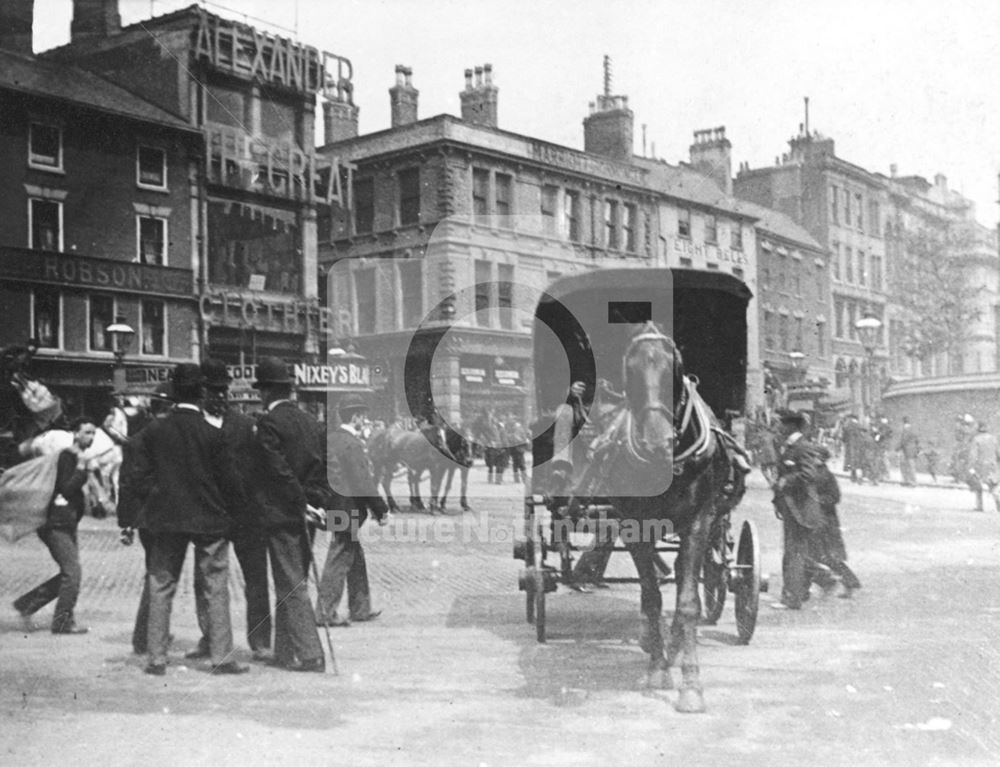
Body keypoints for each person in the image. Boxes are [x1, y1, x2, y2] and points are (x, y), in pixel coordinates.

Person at [131, 363, 247, 676]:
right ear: (201, 392)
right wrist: (235, 513)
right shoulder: (213, 433)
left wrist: (155, 498)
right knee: (215, 585)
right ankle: (222, 657)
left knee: (160, 584)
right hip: (210, 519)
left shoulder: (154, 430)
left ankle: (156, 658)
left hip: (166, 518)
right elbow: (231, 482)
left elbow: (138, 477)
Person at [186, 360, 273, 662]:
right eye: (213, 390)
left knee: (257, 580)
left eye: (223, 390)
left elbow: (260, 467)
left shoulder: (244, 424)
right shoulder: (195, 426)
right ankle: (210, 637)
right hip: (210, 515)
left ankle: (261, 640)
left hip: (247, 515)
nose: (220, 396)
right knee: (205, 581)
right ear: (201, 391)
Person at [250, 357, 330, 672]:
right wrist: (317, 503)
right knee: (293, 581)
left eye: (261, 391)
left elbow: (277, 471)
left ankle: (311, 653)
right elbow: (324, 467)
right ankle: (284, 652)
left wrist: (298, 503)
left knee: (291, 584)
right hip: (309, 515)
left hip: (283, 514)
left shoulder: (269, 424)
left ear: (268, 391)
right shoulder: (312, 422)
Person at [13, 416, 96, 634]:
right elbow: (67, 488)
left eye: (93, 433)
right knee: (72, 574)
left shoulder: (75, 456)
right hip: (55, 524)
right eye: (87, 432)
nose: (91, 437)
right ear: (76, 434)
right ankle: (61, 623)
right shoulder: (68, 457)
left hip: (65, 523)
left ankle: (28, 604)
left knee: (69, 573)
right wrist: (82, 468)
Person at [317, 393, 389, 627]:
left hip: (336, 506)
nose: (365, 421)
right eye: (364, 416)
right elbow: (362, 481)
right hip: (348, 509)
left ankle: (360, 607)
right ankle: (325, 612)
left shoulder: (333, 439)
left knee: (354, 556)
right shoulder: (352, 443)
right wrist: (380, 509)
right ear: (356, 416)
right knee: (339, 558)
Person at [117, 381, 175, 655]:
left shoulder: (138, 437)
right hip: (164, 516)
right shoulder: (170, 435)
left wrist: (126, 523)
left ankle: (147, 633)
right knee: (159, 577)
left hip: (143, 519)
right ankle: (147, 636)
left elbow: (125, 483)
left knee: (154, 573)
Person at [771, 410, 833, 610]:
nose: (779, 427)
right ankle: (817, 580)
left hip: (802, 509)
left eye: (782, 424)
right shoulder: (789, 446)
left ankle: (793, 598)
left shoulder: (802, 447)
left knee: (794, 553)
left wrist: (785, 480)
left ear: (791, 426)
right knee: (794, 553)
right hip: (792, 508)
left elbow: (808, 475)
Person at [967, 421, 1000, 512]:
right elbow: (998, 453)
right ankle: (998, 503)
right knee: (993, 485)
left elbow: (973, 455)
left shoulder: (976, 439)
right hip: (992, 465)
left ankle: (979, 506)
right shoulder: (993, 439)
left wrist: (971, 466)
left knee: (978, 486)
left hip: (981, 465)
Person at [897, 416, 920, 487]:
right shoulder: (913, 429)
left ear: (903, 422)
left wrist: (897, 448)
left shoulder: (905, 429)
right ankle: (910, 481)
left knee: (906, 466)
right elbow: (917, 440)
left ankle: (910, 481)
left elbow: (903, 440)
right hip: (913, 450)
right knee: (911, 466)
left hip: (906, 450)